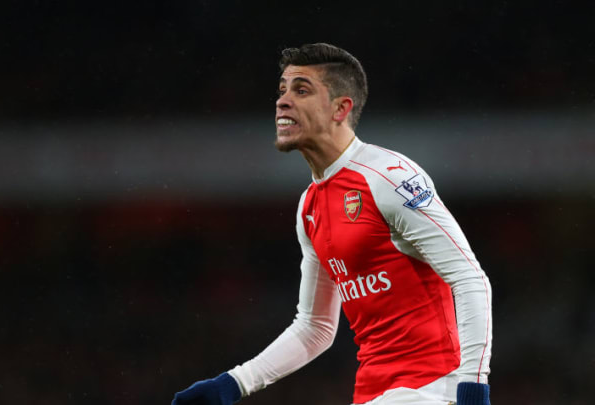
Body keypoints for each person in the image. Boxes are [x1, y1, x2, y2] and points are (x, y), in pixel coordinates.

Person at [172, 43, 493, 405]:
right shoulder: (310, 206)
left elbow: (469, 277)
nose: (283, 101)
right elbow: (315, 328)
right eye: (282, 90)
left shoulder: (388, 177)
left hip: (432, 388)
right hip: (374, 394)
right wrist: (231, 384)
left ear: (341, 108)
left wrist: (473, 386)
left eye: (301, 90)